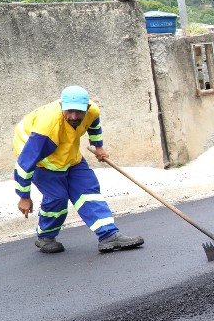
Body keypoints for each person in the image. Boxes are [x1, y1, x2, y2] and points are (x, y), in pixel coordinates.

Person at [13, 85, 144, 254]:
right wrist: (24, 197)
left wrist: (98, 147)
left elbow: (93, 124)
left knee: (89, 191)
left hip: (70, 155)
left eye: (79, 112)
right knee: (57, 198)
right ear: (62, 107)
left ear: (87, 108)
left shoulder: (92, 111)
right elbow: (24, 165)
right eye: (70, 111)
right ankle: (45, 236)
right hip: (41, 161)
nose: (74, 116)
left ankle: (109, 235)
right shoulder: (46, 128)